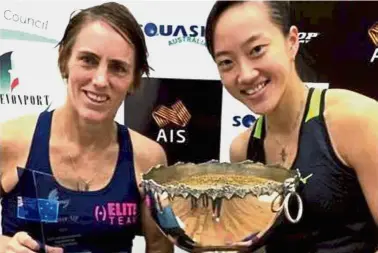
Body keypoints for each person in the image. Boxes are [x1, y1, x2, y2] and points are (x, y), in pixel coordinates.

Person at [205, 1, 378, 252]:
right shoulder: (243, 150)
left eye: (256, 50)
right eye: (226, 62)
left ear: (292, 42)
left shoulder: (354, 119)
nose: (245, 74)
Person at [0, 2, 173, 253]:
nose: (100, 80)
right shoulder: (10, 140)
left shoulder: (149, 158)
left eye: (118, 67)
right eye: (88, 60)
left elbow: (159, 247)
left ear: (134, 79)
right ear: (64, 61)